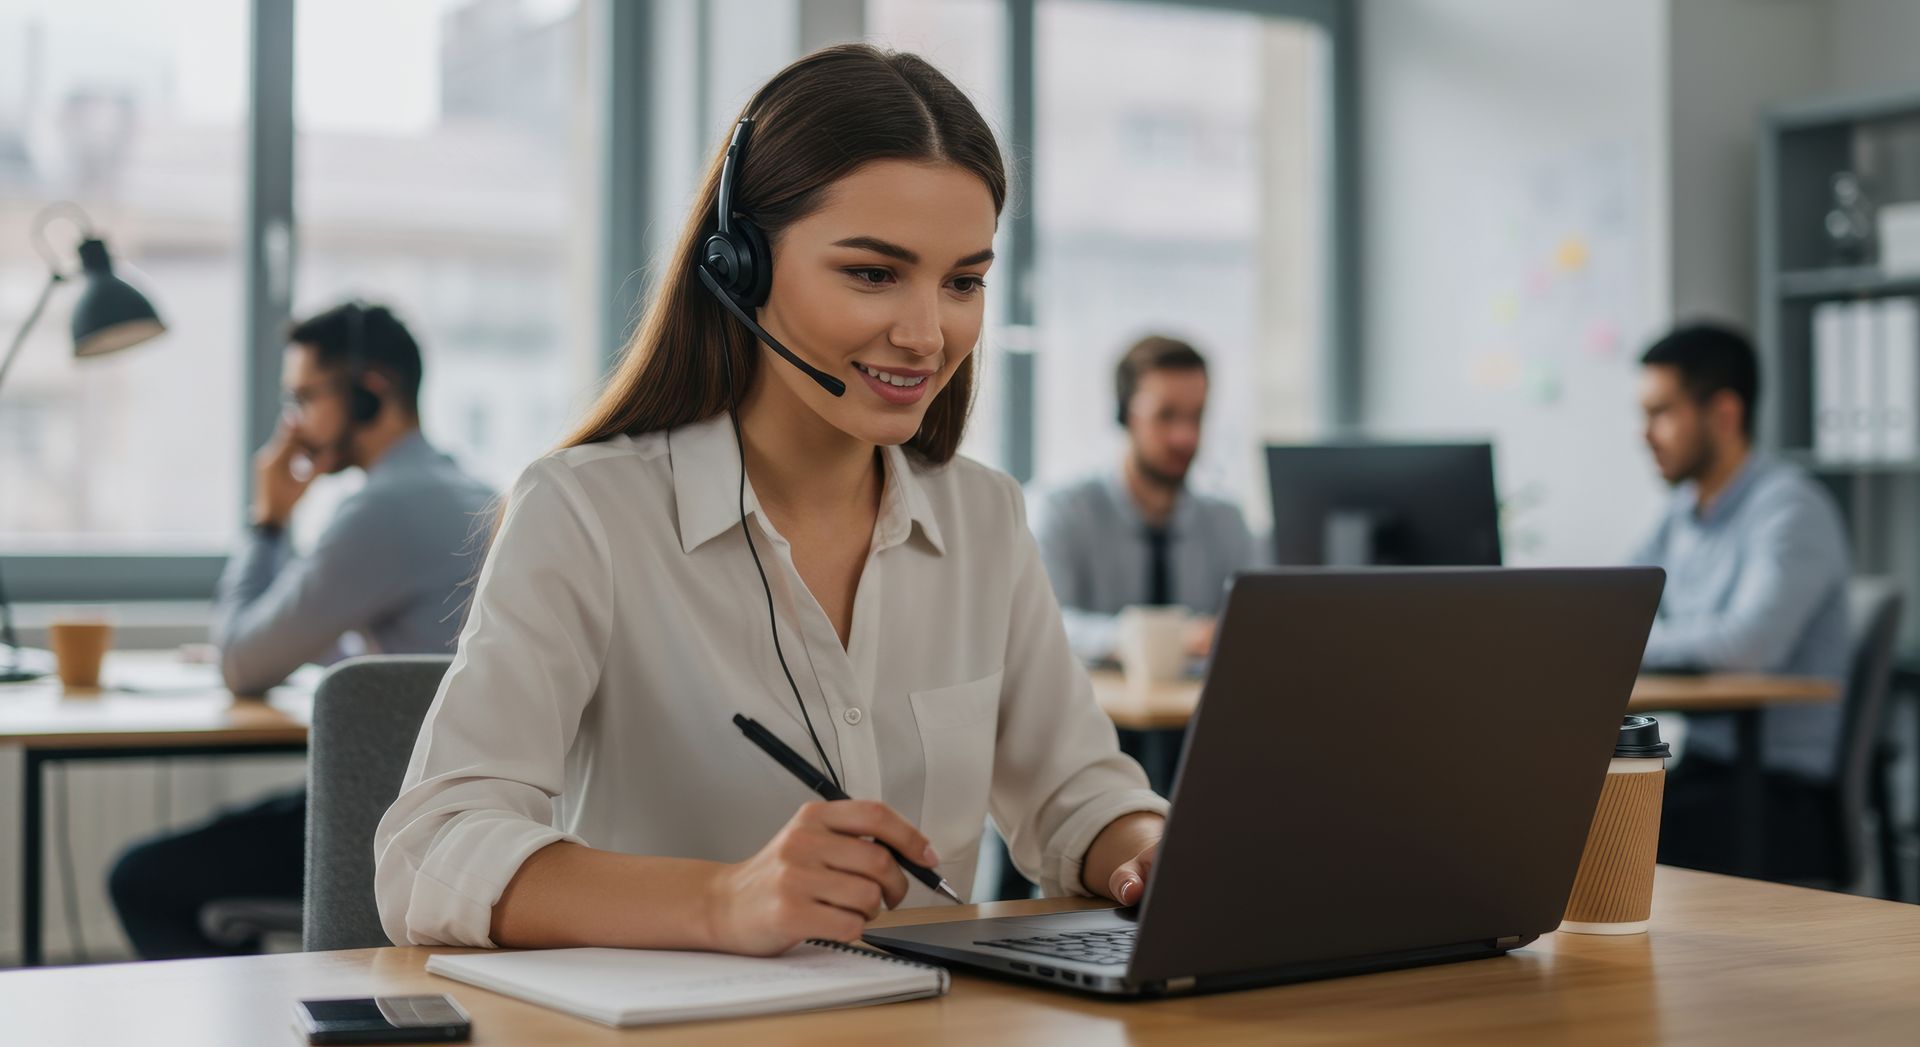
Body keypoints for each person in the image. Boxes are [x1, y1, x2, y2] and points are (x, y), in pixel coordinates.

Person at [373, 45, 1167, 955]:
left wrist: (1152, 849)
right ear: (740, 264)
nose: (926, 334)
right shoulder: (588, 512)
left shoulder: (982, 517)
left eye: (962, 282)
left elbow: (1077, 795)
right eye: (873, 273)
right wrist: (724, 900)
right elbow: (431, 852)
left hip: (925, 1017)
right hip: (678, 1016)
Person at [109, 302, 494, 959]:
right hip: (460, 818)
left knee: (143, 879)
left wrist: (268, 521)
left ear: (370, 390)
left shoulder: (381, 509)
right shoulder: (468, 489)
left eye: (305, 397)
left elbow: (242, 663)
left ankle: (251, 1012)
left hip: (389, 828)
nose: (294, 424)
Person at [1630, 323, 1851, 880]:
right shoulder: (1682, 512)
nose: (1645, 434)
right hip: (1705, 772)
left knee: (1594, 834)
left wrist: (1627, 644)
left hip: (1775, 794)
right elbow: (1613, 606)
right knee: (1571, 808)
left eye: (1661, 413)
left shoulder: (1791, 508)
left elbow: (1748, 645)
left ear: (1724, 414)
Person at [1028, 335, 1256, 796]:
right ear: (1124, 414)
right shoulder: (1064, 510)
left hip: (1199, 739)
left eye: (1196, 417)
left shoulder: (1226, 521)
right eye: (1166, 416)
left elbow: (1257, 628)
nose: (1185, 437)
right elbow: (1043, 625)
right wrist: (1152, 637)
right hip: (1087, 737)